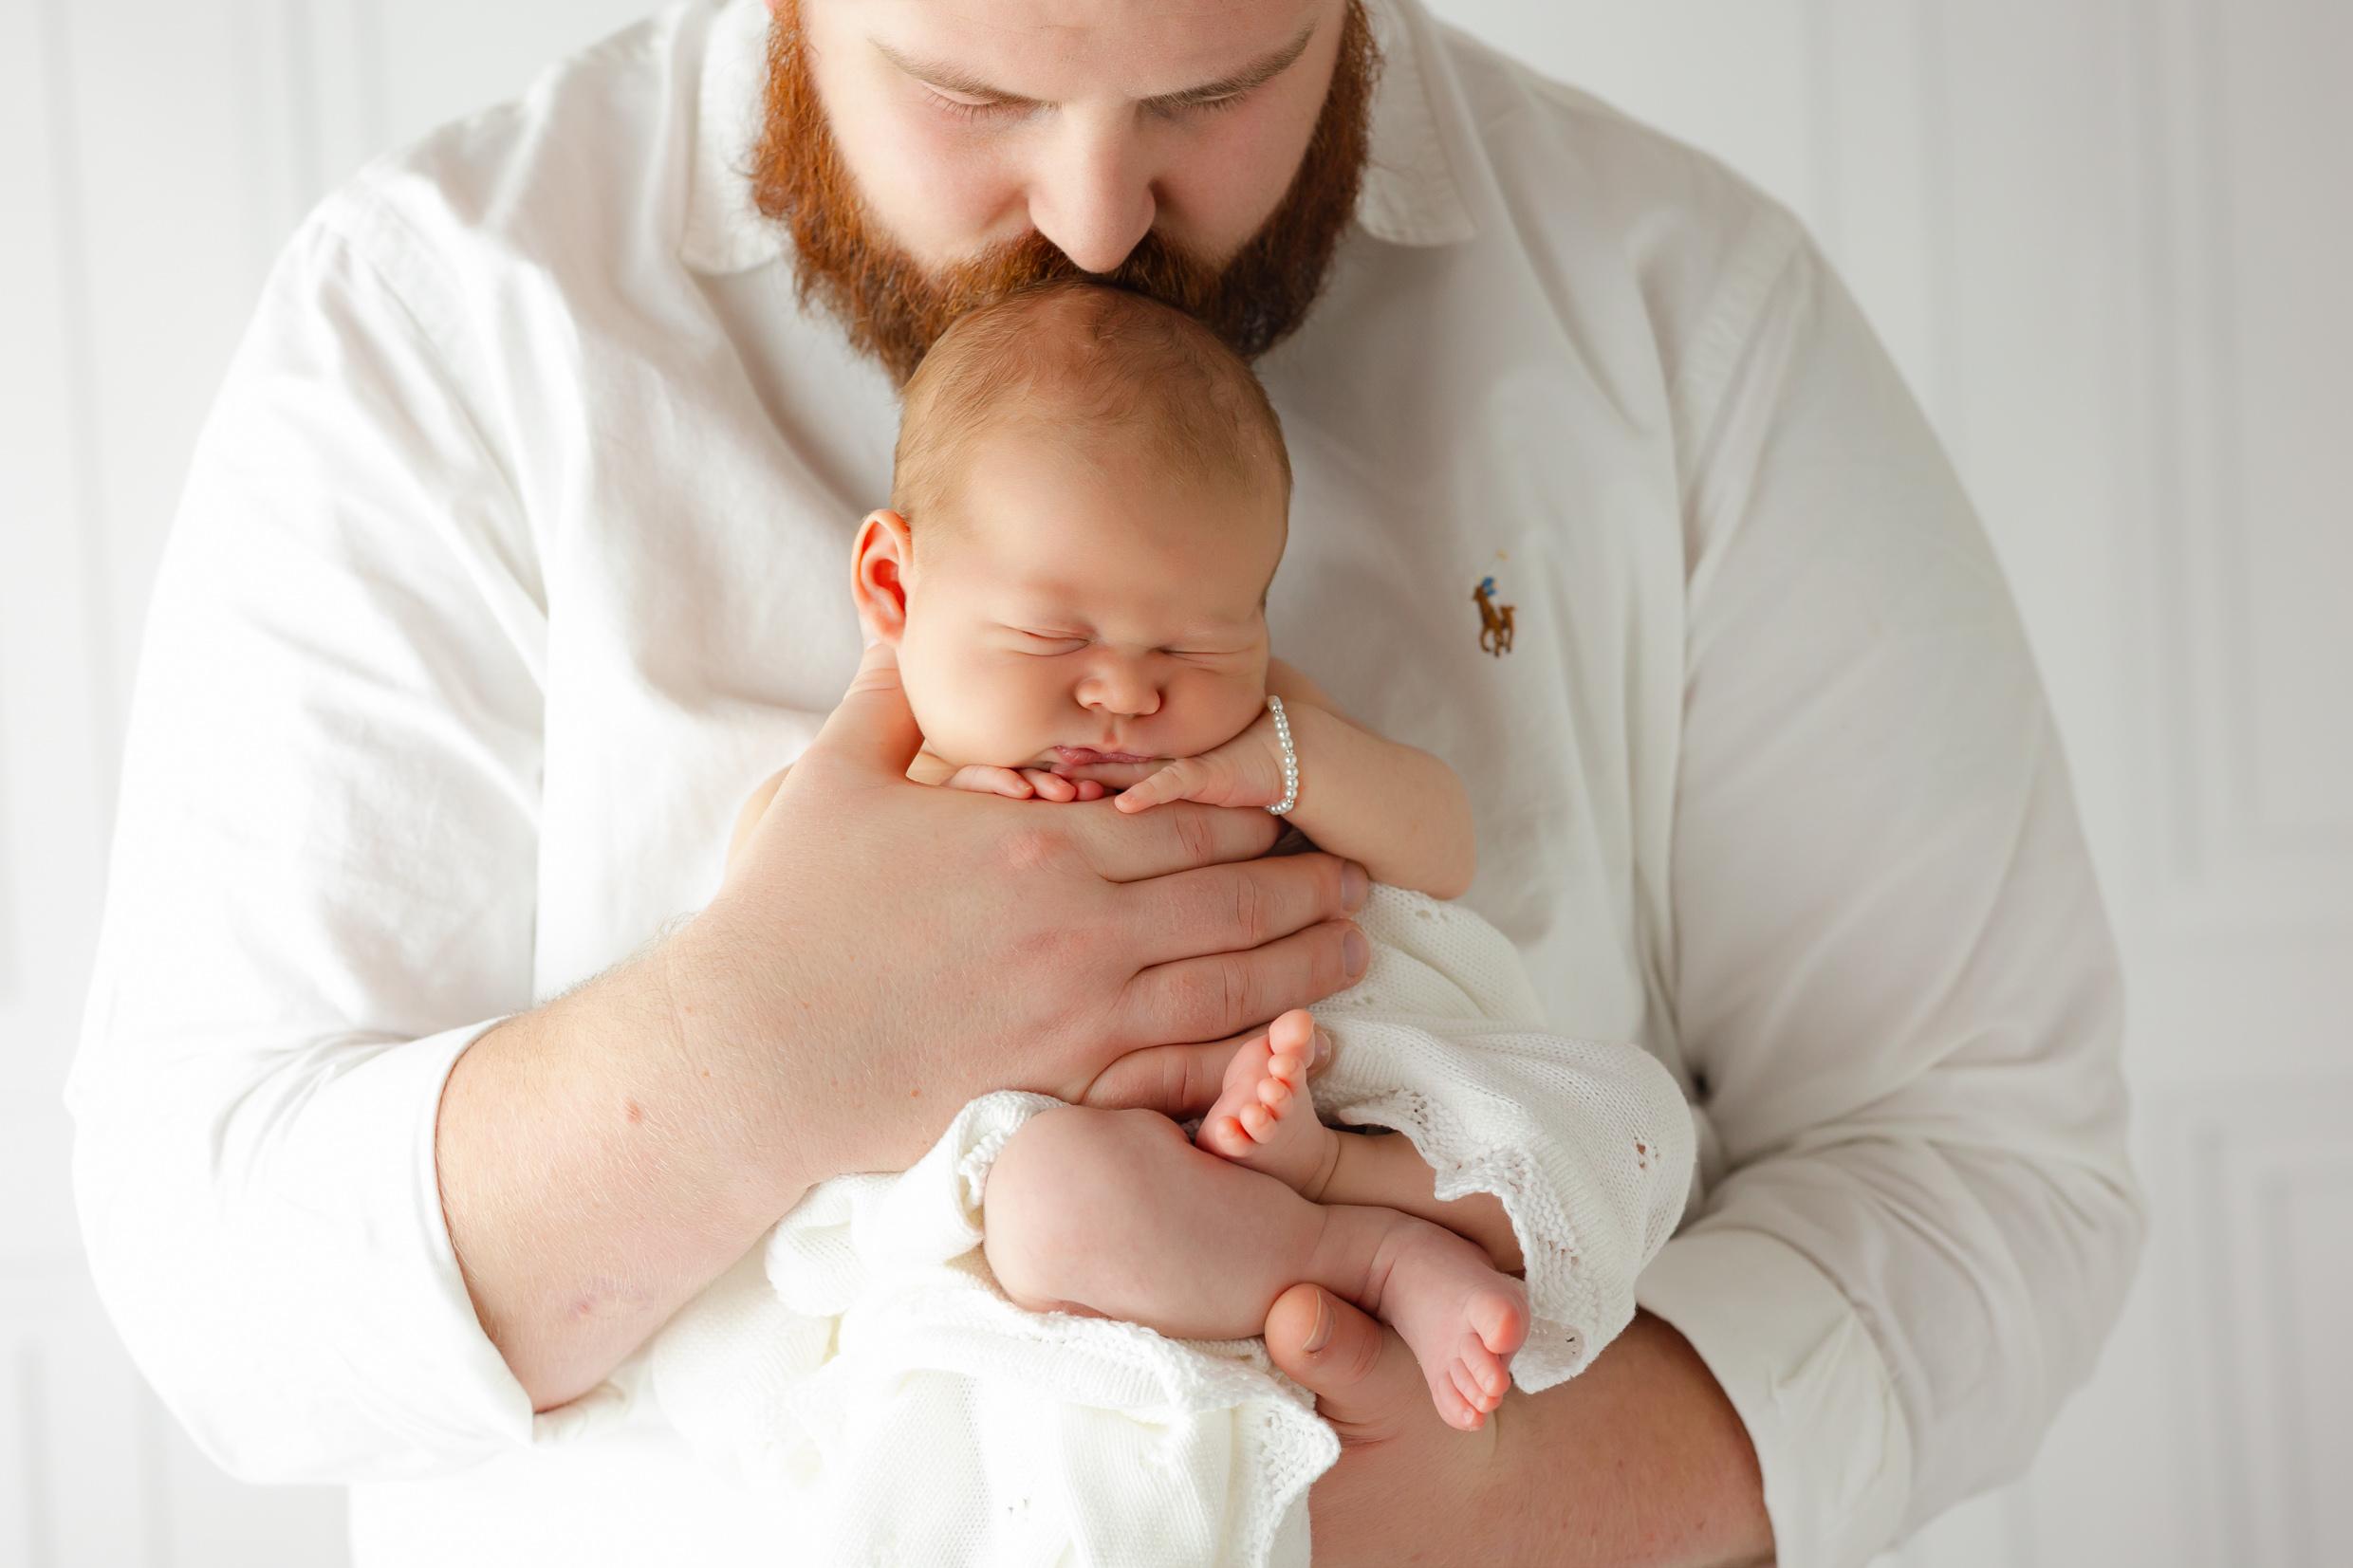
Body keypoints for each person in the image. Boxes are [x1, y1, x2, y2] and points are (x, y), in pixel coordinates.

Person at [66, 0, 2142, 1562]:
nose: (1092, 211)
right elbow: (210, 1273)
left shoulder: (1681, 318)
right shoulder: (447, 319)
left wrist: (1466, 1512)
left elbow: (1988, 1158)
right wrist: (764, 1041)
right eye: (969, 89)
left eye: (1214, 88)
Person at [641, 280, 1695, 1563]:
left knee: (1554, 1148)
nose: (1124, 693)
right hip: (1104, 1177)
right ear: (892, 584)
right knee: (1054, 1209)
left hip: (1314, 1085)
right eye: (1054, 632)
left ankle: (1354, 1193)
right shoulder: (877, 787)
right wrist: (936, 832)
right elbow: (770, 936)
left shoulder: (1261, 727)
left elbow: (1446, 845)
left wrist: (1290, 766)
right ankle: (1355, 1250)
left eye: (1198, 644)